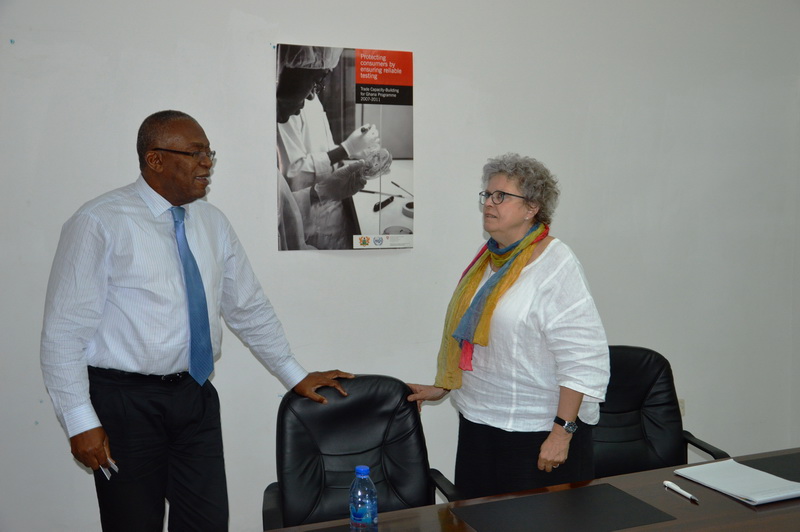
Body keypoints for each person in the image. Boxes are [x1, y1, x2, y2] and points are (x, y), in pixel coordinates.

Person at [40, 110, 353, 531]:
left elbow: (248, 307)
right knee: (134, 523)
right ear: (155, 160)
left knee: (207, 522)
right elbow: (63, 333)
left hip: (195, 396)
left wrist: (293, 374)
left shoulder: (212, 222)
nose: (207, 163)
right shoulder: (99, 222)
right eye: (195, 153)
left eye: (209, 153)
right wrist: (80, 420)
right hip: (125, 404)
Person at [407, 153, 609, 499]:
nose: (489, 203)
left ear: (532, 207)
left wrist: (562, 433)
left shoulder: (555, 264)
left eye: (502, 196)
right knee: (477, 521)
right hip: (480, 422)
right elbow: (483, 343)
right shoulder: (490, 259)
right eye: (487, 195)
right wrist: (442, 387)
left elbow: (583, 358)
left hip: (537, 433)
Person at [276, 44, 380, 249]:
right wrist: (345, 148)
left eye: (321, 79)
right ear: (294, 71)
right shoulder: (287, 107)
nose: (314, 91)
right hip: (311, 222)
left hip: (333, 211)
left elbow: (321, 148)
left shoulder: (310, 98)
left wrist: (351, 155)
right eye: (317, 79)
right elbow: (293, 173)